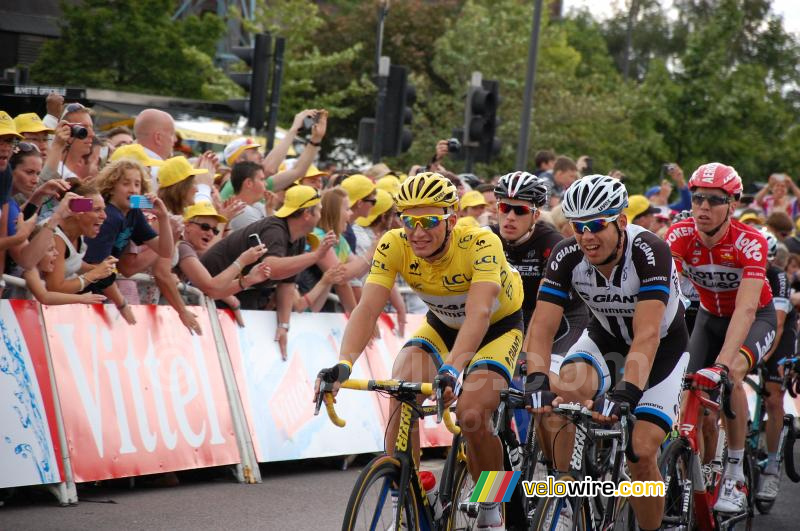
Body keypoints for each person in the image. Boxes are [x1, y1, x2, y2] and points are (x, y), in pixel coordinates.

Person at [315, 172, 524, 530]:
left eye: (429, 221)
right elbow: (367, 309)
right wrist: (343, 363)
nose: (417, 232)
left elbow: (479, 314)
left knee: (472, 415)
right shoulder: (393, 244)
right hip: (442, 324)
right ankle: (408, 491)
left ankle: (492, 505)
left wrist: (454, 370)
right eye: (409, 220)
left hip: (496, 328)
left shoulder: (481, 242)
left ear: (452, 220)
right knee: (402, 386)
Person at [526, 174, 688, 531]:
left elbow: (646, 335)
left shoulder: (650, 251)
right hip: (604, 339)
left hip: (661, 350)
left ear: (621, 222)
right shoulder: (567, 255)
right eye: (579, 226)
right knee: (557, 398)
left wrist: (625, 392)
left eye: (597, 225)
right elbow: (540, 327)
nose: (587, 236)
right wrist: (537, 377)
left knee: (641, 452)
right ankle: (563, 495)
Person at [665, 162, 776, 514]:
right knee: (686, 392)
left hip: (756, 317)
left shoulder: (750, 241)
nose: (703, 207)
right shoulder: (679, 235)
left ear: (733, 203)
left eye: (714, 200)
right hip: (709, 318)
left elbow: (745, 311)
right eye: (697, 198)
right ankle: (690, 475)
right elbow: (666, 298)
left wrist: (723, 366)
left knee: (732, 376)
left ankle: (734, 473)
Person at [200, 185, 337, 357]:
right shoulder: (275, 230)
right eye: (319, 210)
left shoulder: (298, 238)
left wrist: (283, 326)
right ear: (307, 214)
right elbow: (271, 267)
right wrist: (316, 256)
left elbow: (287, 284)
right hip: (207, 294)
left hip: (231, 296)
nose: (321, 215)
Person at [84, 159, 175, 324]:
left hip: (100, 288)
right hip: (84, 290)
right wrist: (122, 304)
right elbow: (97, 267)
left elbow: (165, 252)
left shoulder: (134, 214)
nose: (133, 189)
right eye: (126, 184)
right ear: (111, 188)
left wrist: (163, 218)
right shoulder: (109, 216)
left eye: (137, 184)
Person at [176, 201, 271, 319]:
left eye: (215, 230)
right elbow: (212, 288)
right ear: (187, 226)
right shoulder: (183, 247)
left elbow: (215, 292)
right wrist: (242, 261)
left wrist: (248, 280)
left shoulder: (191, 249)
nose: (210, 233)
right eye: (205, 227)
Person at [755, 230, 795, 501]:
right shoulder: (736, 269)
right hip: (752, 323)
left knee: (772, 395)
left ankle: (771, 465)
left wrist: (762, 359)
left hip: (778, 330)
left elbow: (778, 324)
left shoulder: (778, 276)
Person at [23, 226, 107, 306]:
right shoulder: (30, 270)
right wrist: (82, 298)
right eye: (50, 249)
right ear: (35, 252)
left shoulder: (38, 271)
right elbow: (45, 297)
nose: (56, 253)